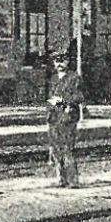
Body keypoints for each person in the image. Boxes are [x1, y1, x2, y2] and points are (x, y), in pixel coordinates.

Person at [45, 50, 85, 188]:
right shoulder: (53, 79)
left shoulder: (74, 78)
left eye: (63, 60)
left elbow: (78, 97)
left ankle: (73, 181)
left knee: (67, 148)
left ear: (68, 61)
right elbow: (50, 98)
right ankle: (61, 179)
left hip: (68, 117)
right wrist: (57, 105)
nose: (60, 64)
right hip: (54, 117)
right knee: (56, 149)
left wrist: (62, 102)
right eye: (57, 61)